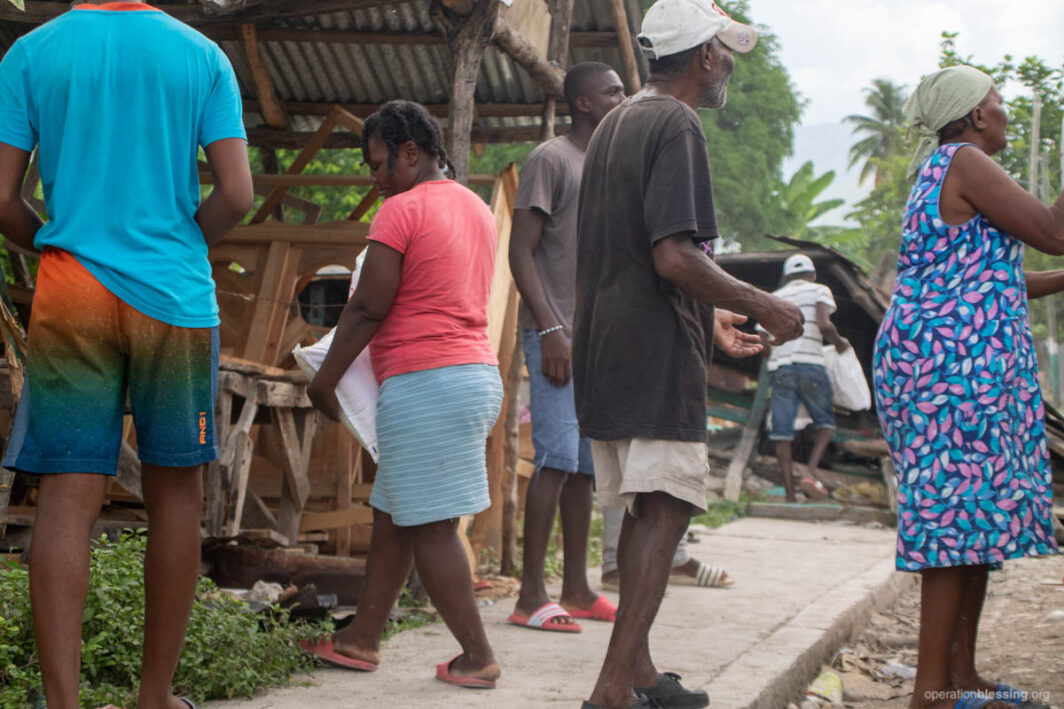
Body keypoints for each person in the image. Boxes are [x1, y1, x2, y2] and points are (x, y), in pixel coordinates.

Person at [0, 4, 251, 709]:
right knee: (176, 493)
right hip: (172, 299)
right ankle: (153, 697)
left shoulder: (31, 54)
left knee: (66, 491)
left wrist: (58, 242)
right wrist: (177, 244)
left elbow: (0, 195)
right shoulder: (201, 56)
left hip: (70, 293)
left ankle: (62, 702)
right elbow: (236, 192)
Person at [571, 1, 804, 707]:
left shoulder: (617, 123)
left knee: (648, 506)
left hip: (607, 341)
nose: (727, 64)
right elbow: (674, 255)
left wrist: (717, 312)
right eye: (722, 52)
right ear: (702, 57)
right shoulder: (677, 123)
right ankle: (614, 684)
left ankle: (639, 672)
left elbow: (647, 253)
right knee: (666, 504)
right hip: (651, 346)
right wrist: (766, 303)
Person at [874, 65, 1060, 709]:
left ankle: (961, 676)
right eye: (998, 101)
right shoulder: (965, 160)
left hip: (955, 362)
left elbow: (991, 277)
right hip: (949, 369)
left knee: (973, 516)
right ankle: (931, 689)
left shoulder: (948, 167)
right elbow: (1055, 235)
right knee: (955, 517)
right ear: (977, 115)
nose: (1005, 111)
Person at [305, 100, 503, 691]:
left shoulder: (401, 210)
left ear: (411, 152)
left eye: (379, 163)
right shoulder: (476, 207)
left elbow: (367, 307)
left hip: (425, 381)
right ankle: (362, 637)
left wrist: (325, 377)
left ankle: (478, 656)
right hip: (472, 374)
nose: (375, 177)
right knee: (392, 512)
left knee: (433, 527)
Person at [507, 62, 625, 633]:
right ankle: (531, 595)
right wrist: (551, 329)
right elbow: (520, 251)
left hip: (592, 338)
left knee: (582, 467)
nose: (621, 99)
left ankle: (576, 588)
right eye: (612, 92)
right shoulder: (550, 159)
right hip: (554, 334)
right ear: (582, 102)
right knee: (553, 459)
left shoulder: (603, 166)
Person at [764, 253, 850, 503]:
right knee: (824, 423)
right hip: (811, 364)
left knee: (783, 434)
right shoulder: (819, 290)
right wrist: (841, 344)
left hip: (781, 369)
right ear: (812, 275)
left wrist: (782, 351)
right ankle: (810, 474)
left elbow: (765, 344)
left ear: (787, 276)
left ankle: (790, 496)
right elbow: (825, 326)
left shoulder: (775, 297)